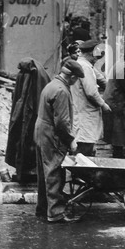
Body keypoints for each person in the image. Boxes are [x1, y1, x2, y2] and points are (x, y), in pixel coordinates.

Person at [34, 59, 85, 223]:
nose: (75, 82)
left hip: (41, 132)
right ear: (72, 77)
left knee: (44, 173)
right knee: (54, 172)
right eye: (76, 79)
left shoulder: (51, 85)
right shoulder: (62, 90)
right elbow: (62, 123)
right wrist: (71, 140)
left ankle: (42, 209)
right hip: (51, 135)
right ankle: (55, 213)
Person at [6, 58, 50, 183]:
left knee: (30, 144)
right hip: (25, 117)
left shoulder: (35, 79)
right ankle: (25, 171)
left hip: (34, 119)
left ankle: (31, 171)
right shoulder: (27, 76)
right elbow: (21, 98)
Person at [71, 39, 111, 156]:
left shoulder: (85, 65)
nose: (96, 59)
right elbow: (91, 92)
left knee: (86, 147)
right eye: (95, 56)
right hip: (85, 115)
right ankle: (81, 173)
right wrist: (103, 105)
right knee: (84, 148)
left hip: (82, 112)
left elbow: (101, 79)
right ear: (90, 54)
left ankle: (80, 172)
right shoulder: (85, 67)